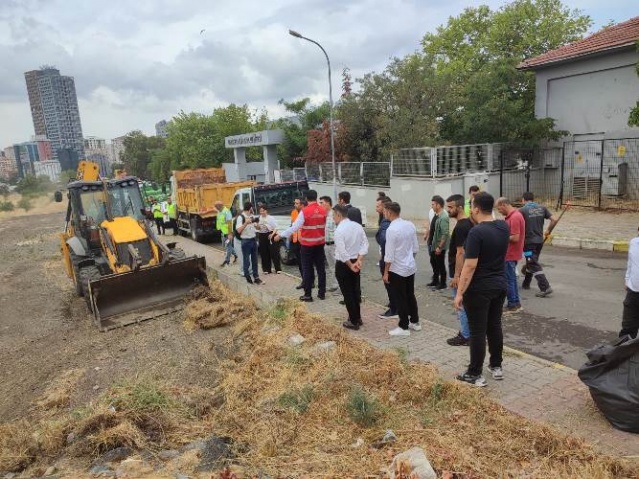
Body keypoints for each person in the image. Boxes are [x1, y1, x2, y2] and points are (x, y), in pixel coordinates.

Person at [454, 192, 509, 387]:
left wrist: (459, 293)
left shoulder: (476, 232)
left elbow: (469, 266)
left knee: (478, 332)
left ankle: (475, 373)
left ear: (476, 209)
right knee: (494, 326)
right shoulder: (503, 226)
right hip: (499, 285)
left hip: (479, 289)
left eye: (471, 206)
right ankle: (496, 366)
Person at [274, 190, 327, 302]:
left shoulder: (305, 211)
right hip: (320, 244)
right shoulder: (323, 210)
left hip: (307, 246)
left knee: (307, 269)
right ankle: (322, 293)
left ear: (306, 199)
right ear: (316, 198)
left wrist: (281, 235)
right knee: (321, 269)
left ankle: (308, 295)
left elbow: (294, 227)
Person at [382, 201, 421, 336]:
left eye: (385, 211)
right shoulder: (409, 224)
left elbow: (389, 255)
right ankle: (415, 322)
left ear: (389, 212)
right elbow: (415, 248)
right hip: (410, 267)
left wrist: (386, 272)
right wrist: (409, 259)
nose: (383, 213)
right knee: (410, 294)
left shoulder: (391, 230)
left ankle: (403, 326)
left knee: (400, 297)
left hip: (397, 269)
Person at [333, 204, 369, 330]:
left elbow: (342, 252)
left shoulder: (339, 230)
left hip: (344, 264)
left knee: (347, 293)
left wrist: (350, 264)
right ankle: (357, 317)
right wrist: (359, 260)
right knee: (354, 290)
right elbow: (365, 244)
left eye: (334, 215)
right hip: (355, 261)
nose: (333, 218)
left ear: (338, 214)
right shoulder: (357, 226)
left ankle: (353, 321)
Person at [445, 194, 473, 346]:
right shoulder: (468, 223)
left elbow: (460, 252)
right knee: (465, 303)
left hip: (460, 273)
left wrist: (457, 275)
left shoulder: (462, 226)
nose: (447, 210)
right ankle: (467, 332)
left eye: (450, 207)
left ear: (460, 207)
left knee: (460, 303)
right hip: (465, 272)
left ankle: (465, 335)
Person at [519, 192, 558, 297]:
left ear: (523, 200)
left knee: (532, 263)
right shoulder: (542, 208)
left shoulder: (522, 210)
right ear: (533, 199)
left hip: (528, 242)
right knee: (532, 261)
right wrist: (548, 230)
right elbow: (554, 220)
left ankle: (545, 287)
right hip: (539, 241)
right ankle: (526, 284)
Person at [496, 197, 526, 312]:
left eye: (499, 208)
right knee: (511, 279)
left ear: (503, 204)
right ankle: (516, 303)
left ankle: (512, 304)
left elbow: (515, 237)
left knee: (508, 280)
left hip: (510, 253)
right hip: (512, 253)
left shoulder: (514, 217)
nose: (498, 211)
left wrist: (500, 237)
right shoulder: (514, 216)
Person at [376, 195, 398, 320]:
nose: (377, 209)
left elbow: (385, 240)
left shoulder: (385, 221)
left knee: (389, 283)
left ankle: (394, 308)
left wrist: (385, 256)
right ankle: (395, 304)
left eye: (379, 206)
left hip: (388, 258)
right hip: (395, 258)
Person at [236, 201, 262, 285]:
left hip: (253, 240)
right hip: (245, 241)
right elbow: (239, 230)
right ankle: (247, 276)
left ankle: (256, 277)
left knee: (255, 260)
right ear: (250, 208)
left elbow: (258, 228)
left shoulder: (252, 216)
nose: (253, 209)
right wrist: (246, 223)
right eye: (252, 208)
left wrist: (257, 224)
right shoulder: (241, 217)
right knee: (246, 260)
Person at [619, 227, 639, 339]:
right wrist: (627, 279)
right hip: (633, 292)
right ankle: (624, 354)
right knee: (627, 329)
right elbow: (630, 263)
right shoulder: (634, 242)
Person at [428, 195, 449, 290]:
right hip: (434, 244)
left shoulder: (443, 217)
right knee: (433, 261)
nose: (431, 206)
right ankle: (435, 280)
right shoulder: (437, 215)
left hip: (439, 246)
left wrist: (440, 247)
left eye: (433, 204)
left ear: (438, 205)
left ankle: (443, 283)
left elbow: (445, 233)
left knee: (440, 263)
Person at [319, 196, 339, 293]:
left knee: (337, 266)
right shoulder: (324, 215)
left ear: (327, 203)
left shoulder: (335, 214)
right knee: (331, 266)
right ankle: (335, 284)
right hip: (326, 245)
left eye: (322, 203)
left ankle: (341, 287)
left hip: (334, 245)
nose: (320, 205)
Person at [256, 203, 281, 274]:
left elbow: (276, 228)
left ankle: (278, 268)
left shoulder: (270, 218)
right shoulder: (259, 218)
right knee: (264, 252)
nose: (262, 212)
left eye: (263, 211)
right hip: (262, 235)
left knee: (274, 252)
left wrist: (272, 234)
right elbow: (258, 228)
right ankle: (266, 269)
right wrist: (257, 225)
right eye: (260, 211)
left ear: (266, 211)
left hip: (270, 234)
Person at [215, 200, 237, 267]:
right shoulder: (220, 211)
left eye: (216, 206)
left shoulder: (227, 212)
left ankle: (227, 261)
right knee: (226, 246)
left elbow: (230, 223)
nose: (215, 207)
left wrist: (230, 234)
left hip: (228, 232)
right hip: (223, 231)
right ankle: (236, 255)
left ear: (219, 206)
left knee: (228, 246)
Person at [289, 198, 305, 289]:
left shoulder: (305, 213)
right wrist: (290, 235)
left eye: (297, 203)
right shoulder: (294, 212)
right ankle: (304, 281)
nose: (295, 205)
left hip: (304, 242)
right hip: (296, 241)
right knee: (300, 263)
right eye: (294, 203)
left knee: (307, 263)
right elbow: (292, 225)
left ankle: (311, 281)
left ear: (302, 205)